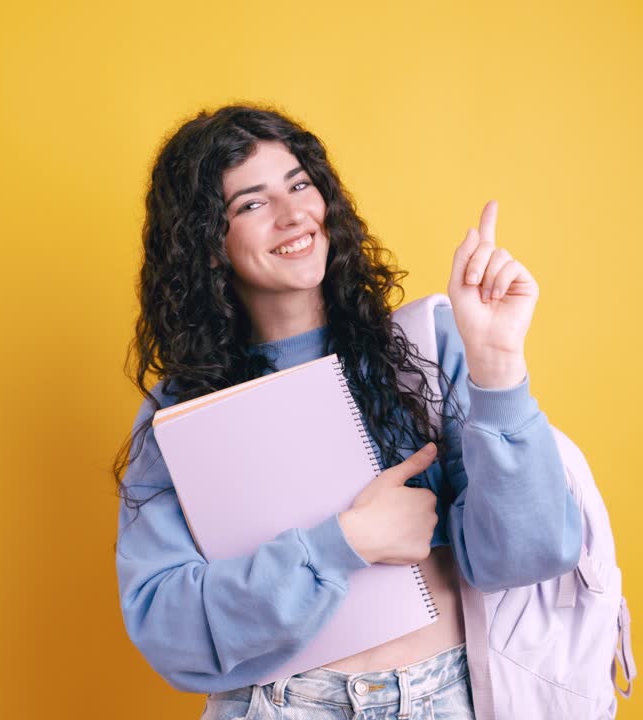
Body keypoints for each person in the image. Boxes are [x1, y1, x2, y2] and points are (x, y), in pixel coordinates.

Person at [113, 105, 582, 720]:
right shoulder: (180, 411)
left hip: (449, 695)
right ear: (208, 245)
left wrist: (497, 363)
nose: (293, 215)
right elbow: (171, 631)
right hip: (282, 706)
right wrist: (345, 543)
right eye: (251, 204)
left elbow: (532, 553)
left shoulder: (425, 347)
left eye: (300, 184)